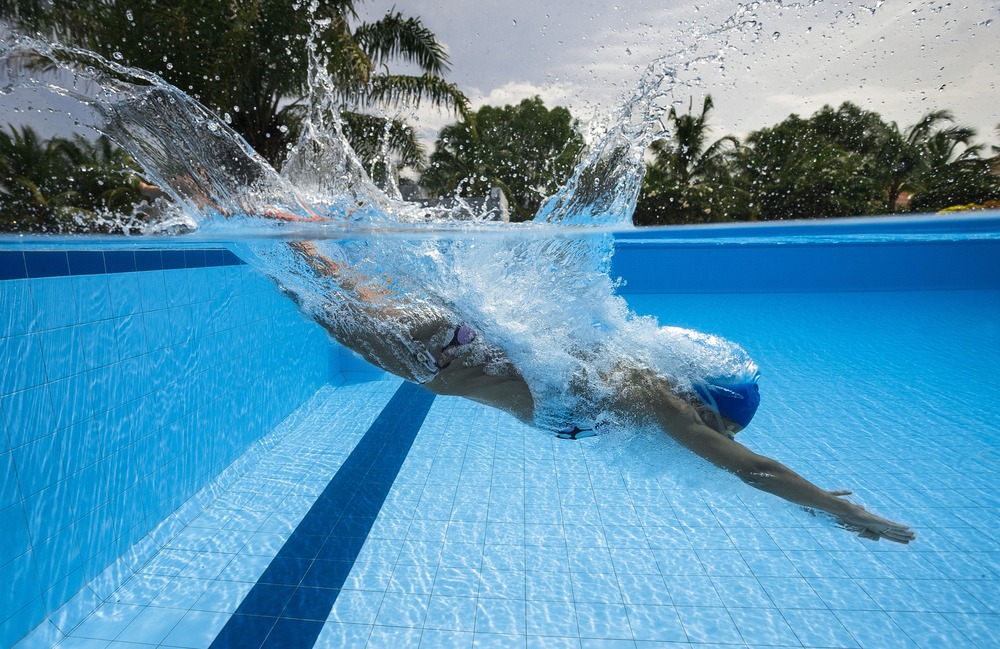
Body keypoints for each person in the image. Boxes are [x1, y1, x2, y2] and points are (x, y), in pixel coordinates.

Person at [285, 239, 916, 544]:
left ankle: (282, 223)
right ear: (702, 404)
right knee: (303, 288)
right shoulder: (660, 402)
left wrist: (810, 506)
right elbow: (750, 470)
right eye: (721, 429)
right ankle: (247, 217)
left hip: (448, 339)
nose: (716, 443)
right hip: (438, 354)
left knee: (323, 284)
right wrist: (846, 511)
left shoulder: (637, 384)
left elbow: (745, 470)